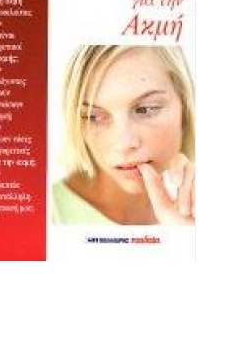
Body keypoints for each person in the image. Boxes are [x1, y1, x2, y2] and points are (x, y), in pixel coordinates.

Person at [52, 45, 195, 225]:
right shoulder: (46, 214)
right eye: (93, 116)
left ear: (185, 105)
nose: (124, 144)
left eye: (145, 109)